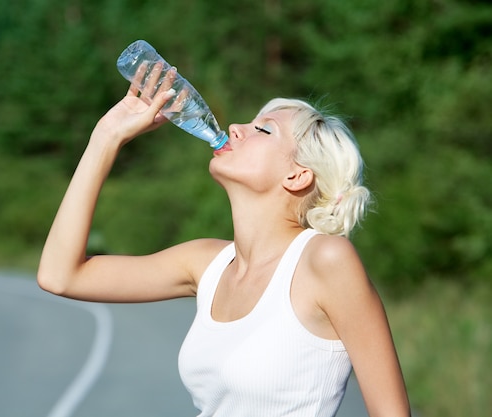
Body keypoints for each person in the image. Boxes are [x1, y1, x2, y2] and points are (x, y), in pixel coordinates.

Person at [37, 70, 411, 416]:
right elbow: (61, 275)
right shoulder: (206, 263)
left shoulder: (325, 260)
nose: (234, 127)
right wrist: (106, 137)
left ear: (298, 176)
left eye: (264, 130)